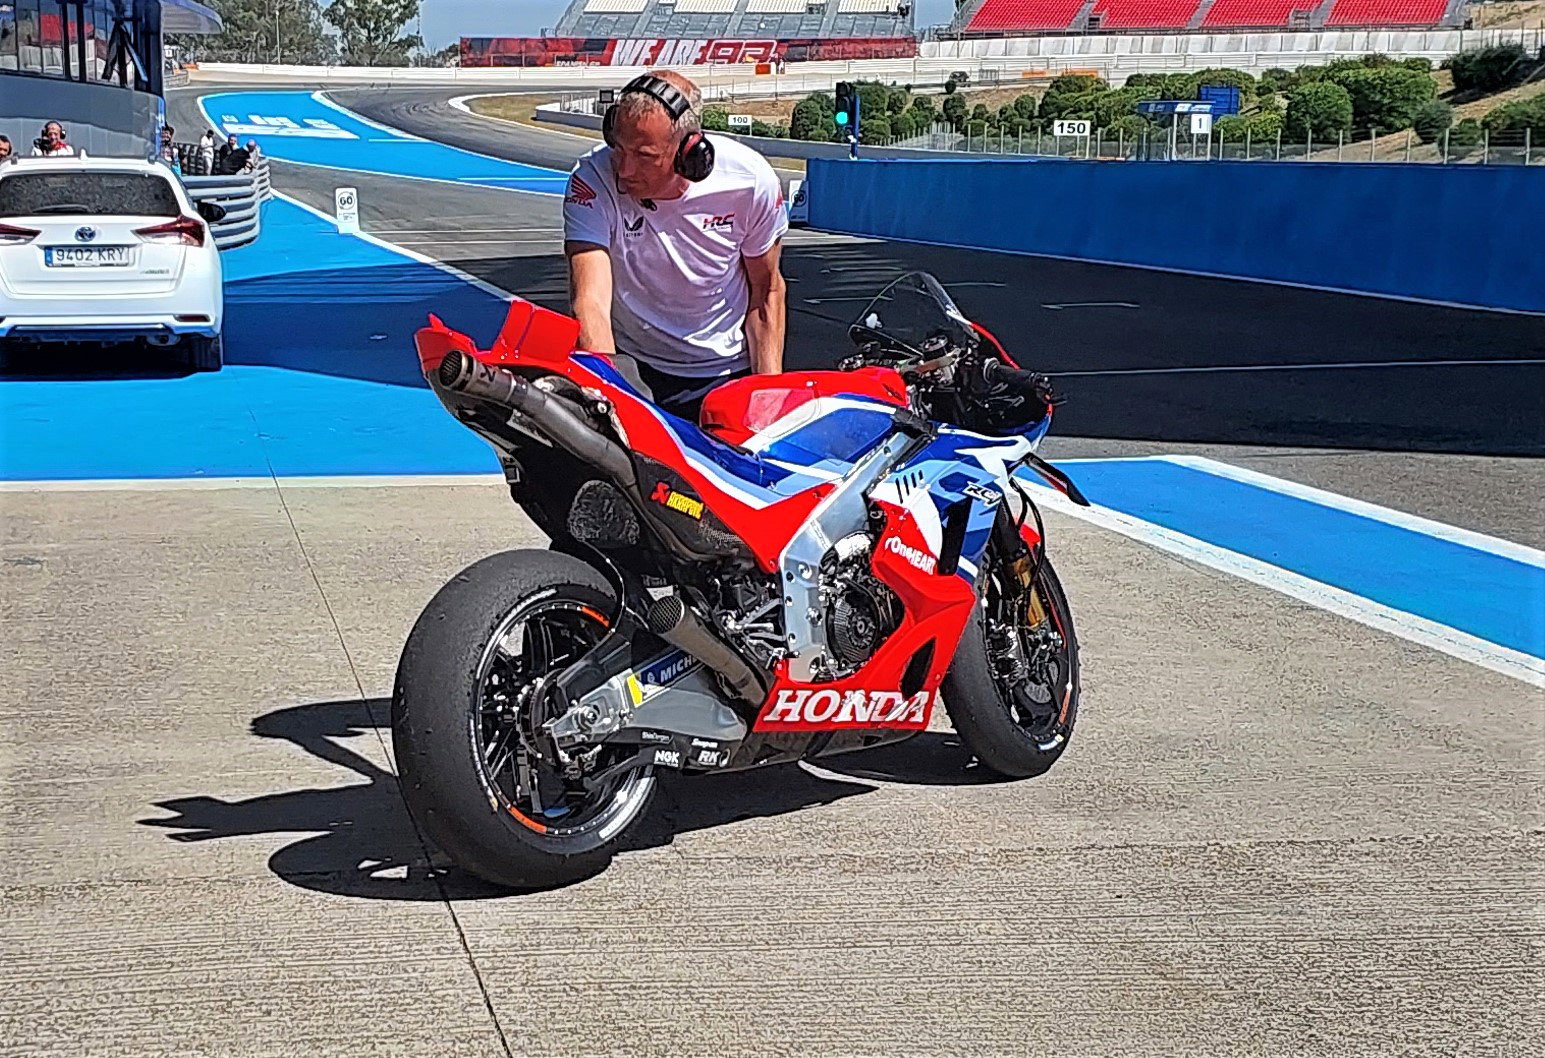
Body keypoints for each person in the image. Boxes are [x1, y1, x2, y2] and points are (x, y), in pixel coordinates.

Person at [562, 70, 788, 424]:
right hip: (635, 367)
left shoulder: (750, 182)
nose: (624, 169)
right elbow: (590, 303)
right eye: (618, 148)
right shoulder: (593, 180)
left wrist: (769, 404)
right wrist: (607, 396)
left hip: (726, 373)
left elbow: (766, 292)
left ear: (689, 154)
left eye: (644, 155)